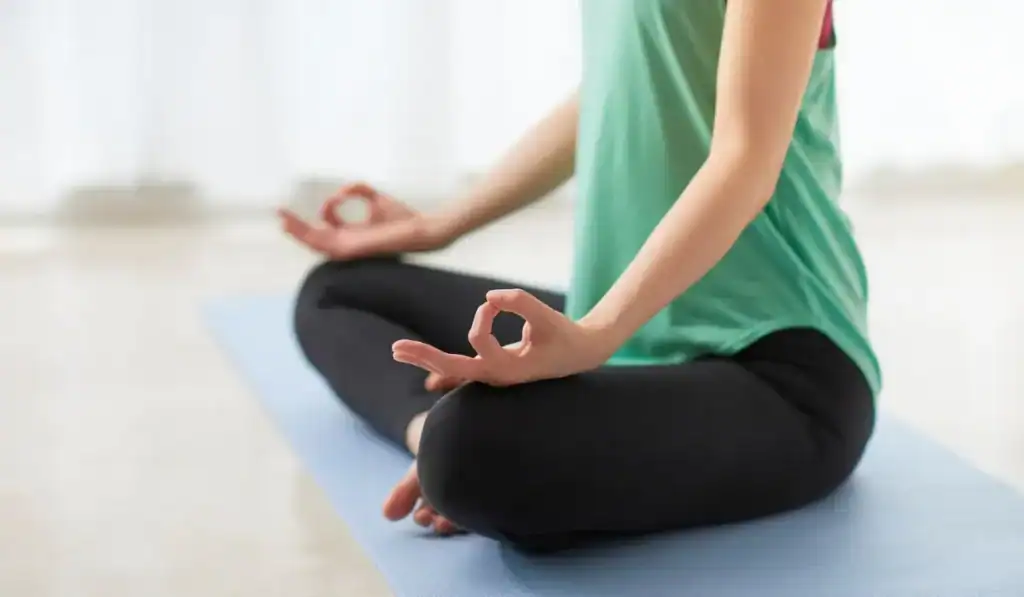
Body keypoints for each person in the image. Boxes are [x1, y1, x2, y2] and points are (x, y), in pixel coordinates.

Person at [278, 0, 880, 552]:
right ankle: (424, 434)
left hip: (781, 372)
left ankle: (446, 445)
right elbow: (612, 90)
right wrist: (435, 227)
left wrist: (596, 332)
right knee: (339, 290)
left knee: (468, 447)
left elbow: (744, 160)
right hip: (631, 332)